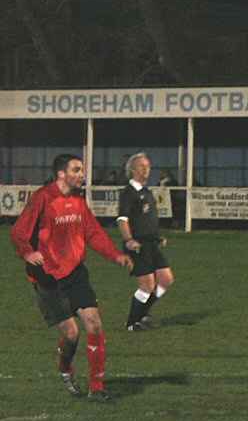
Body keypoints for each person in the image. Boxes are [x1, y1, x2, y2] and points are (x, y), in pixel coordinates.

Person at [10, 153, 133, 403]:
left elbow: (93, 233)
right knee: (72, 334)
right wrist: (28, 253)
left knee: (95, 323)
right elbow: (18, 233)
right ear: (61, 174)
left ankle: (97, 388)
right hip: (48, 277)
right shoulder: (43, 199)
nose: (81, 174)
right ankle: (66, 368)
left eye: (82, 170)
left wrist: (116, 256)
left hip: (75, 272)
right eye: (76, 170)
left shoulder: (78, 201)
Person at [117, 153, 175, 332]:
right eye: (142, 166)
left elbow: (146, 220)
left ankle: (143, 313)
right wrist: (129, 240)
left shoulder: (146, 192)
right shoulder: (129, 193)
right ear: (132, 170)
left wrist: (157, 237)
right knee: (147, 285)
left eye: (148, 165)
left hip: (151, 245)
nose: (146, 169)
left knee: (166, 280)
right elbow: (122, 219)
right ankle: (132, 323)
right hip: (138, 246)